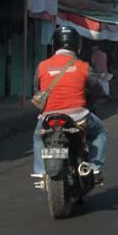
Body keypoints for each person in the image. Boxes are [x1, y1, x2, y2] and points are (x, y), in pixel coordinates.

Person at [33, 26, 108, 182]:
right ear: (77, 46)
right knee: (100, 132)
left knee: (38, 137)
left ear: (54, 45)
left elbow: (36, 90)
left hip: (48, 117)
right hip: (78, 116)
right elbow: (96, 89)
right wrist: (97, 97)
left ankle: (40, 172)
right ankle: (94, 169)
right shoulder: (83, 66)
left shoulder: (42, 66)